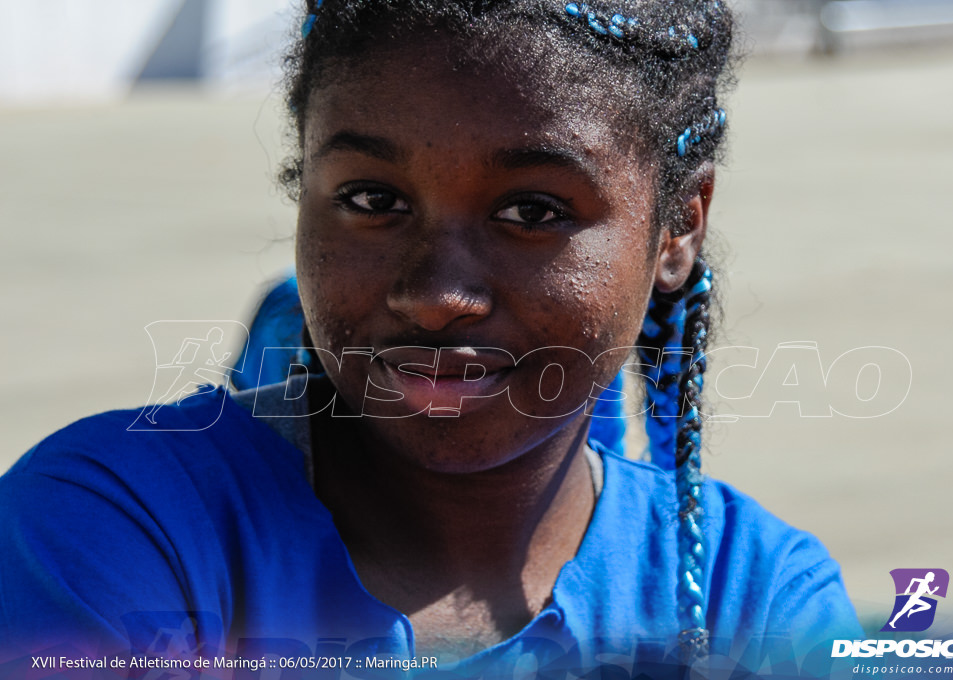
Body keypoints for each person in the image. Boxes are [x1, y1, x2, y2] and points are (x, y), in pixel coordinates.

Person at [0, 1, 862, 677]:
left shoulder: (753, 598)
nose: (437, 296)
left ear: (678, 226)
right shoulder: (119, 530)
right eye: (374, 199)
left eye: (533, 211)